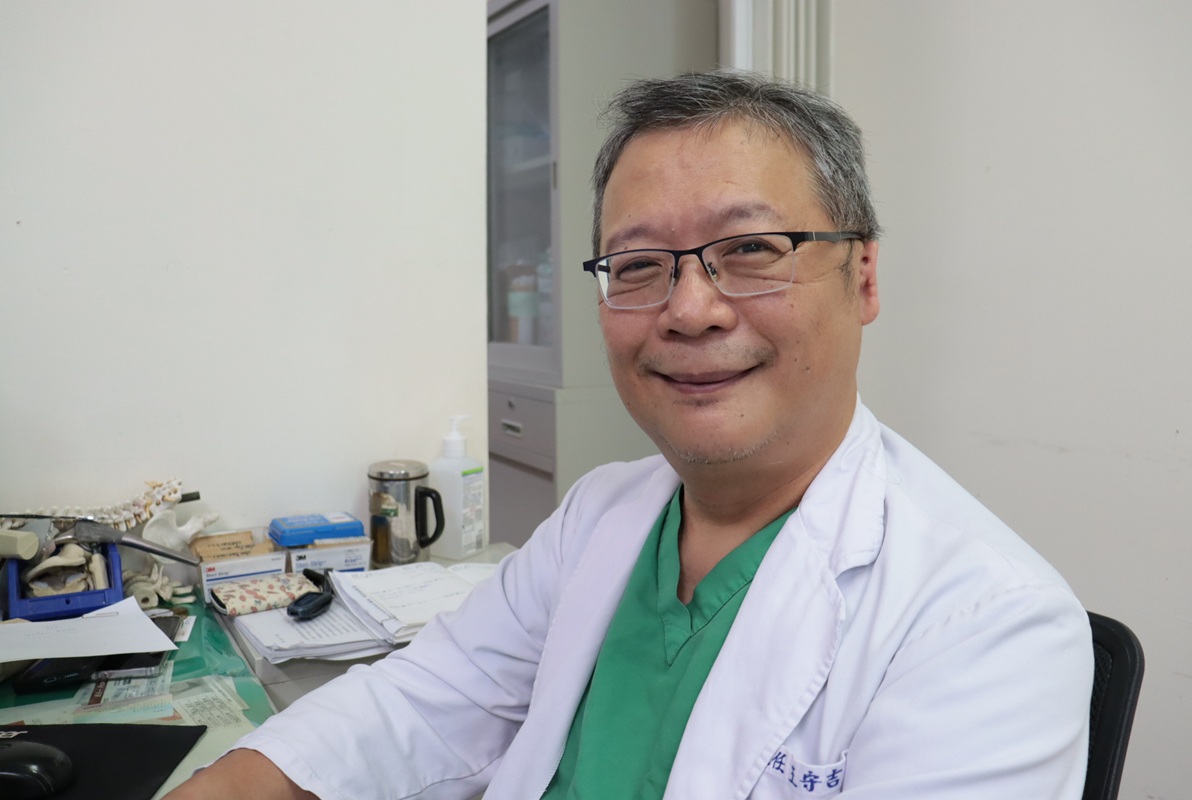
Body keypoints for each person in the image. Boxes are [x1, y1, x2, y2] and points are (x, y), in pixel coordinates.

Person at [166, 71, 1093, 800]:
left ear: (864, 278)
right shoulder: (601, 514)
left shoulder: (990, 626)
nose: (689, 310)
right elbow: (425, 698)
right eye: (639, 265)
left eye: (751, 250)